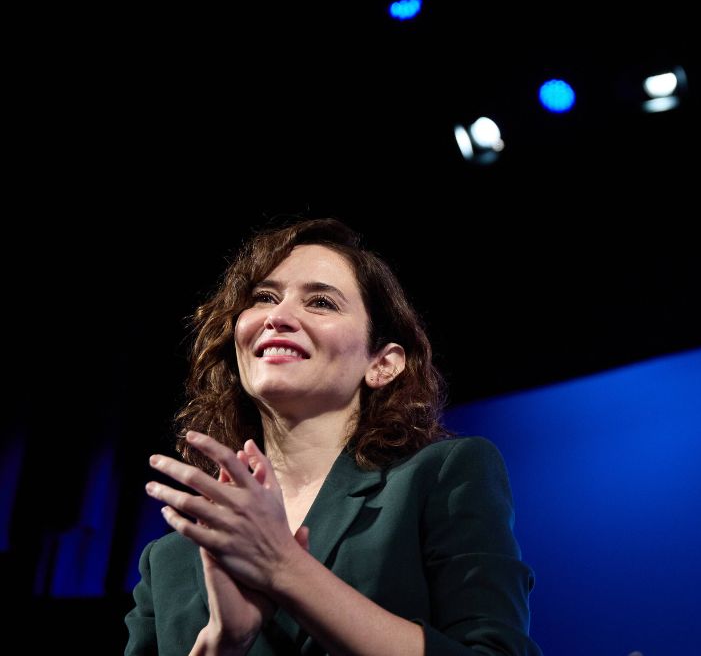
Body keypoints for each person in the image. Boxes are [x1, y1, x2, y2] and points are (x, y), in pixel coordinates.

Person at [125, 219, 541, 655]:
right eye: (264, 298)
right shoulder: (168, 560)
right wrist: (223, 643)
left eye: (321, 302)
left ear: (383, 363)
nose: (277, 317)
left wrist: (285, 570)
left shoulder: (443, 476)